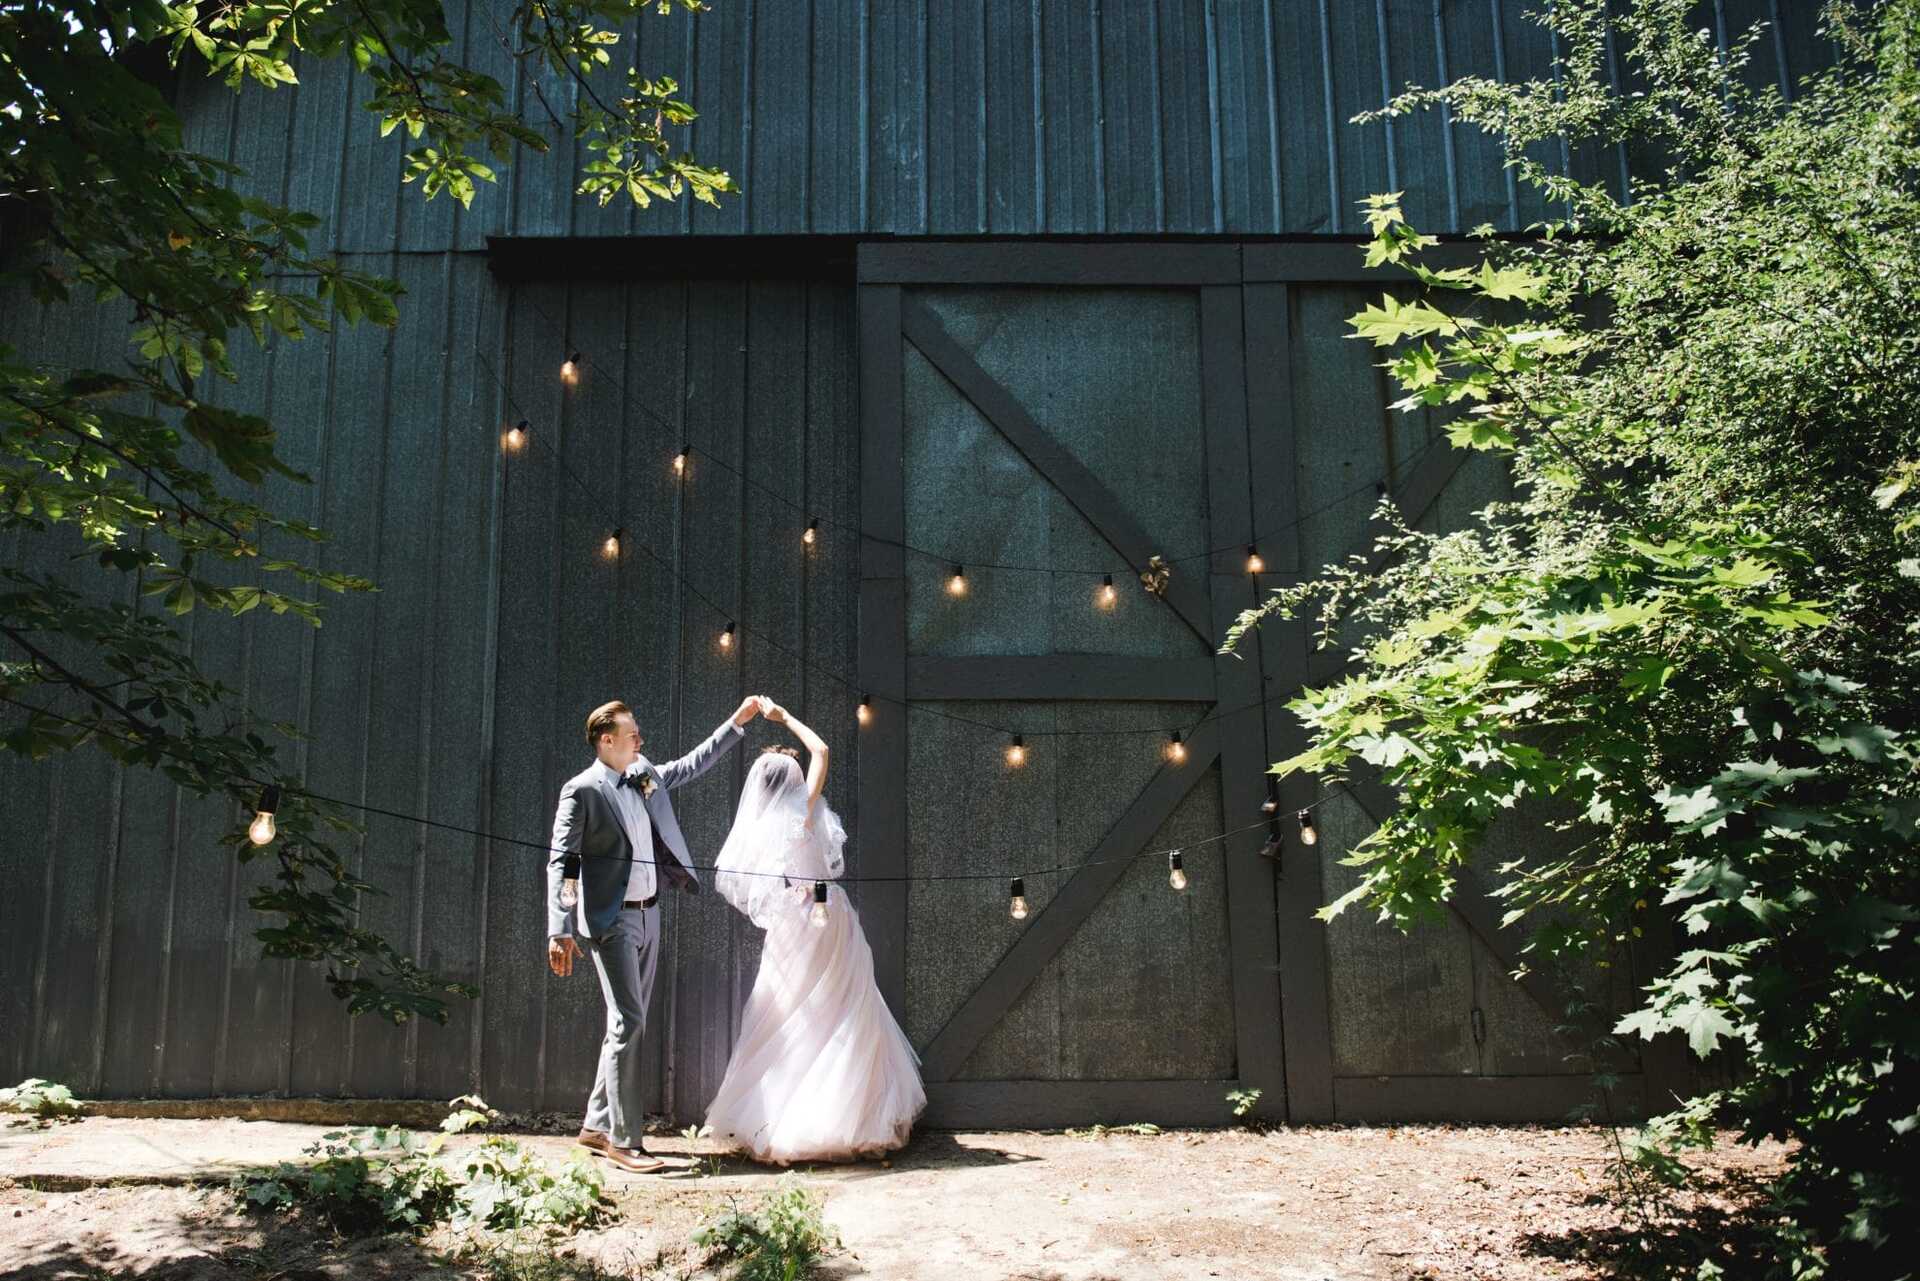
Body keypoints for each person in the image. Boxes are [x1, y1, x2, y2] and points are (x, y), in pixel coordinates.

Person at [704, 697, 926, 1164]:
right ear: (791, 780)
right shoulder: (802, 810)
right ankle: (841, 1119)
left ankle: (781, 1117)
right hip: (825, 917)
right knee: (842, 1008)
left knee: (791, 1015)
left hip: (791, 923)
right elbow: (822, 750)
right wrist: (785, 719)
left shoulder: (761, 827)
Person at [547, 695, 762, 1173]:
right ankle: (624, 1142)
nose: (640, 740)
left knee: (625, 1023)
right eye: (631, 735)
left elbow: (689, 765)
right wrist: (560, 928)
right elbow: (564, 863)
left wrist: (736, 723)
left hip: (650, 914)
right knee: (629, 1023)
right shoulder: (581, 790)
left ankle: (595, 1124)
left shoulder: (642, 771)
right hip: (611, 920)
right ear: (607, 741)